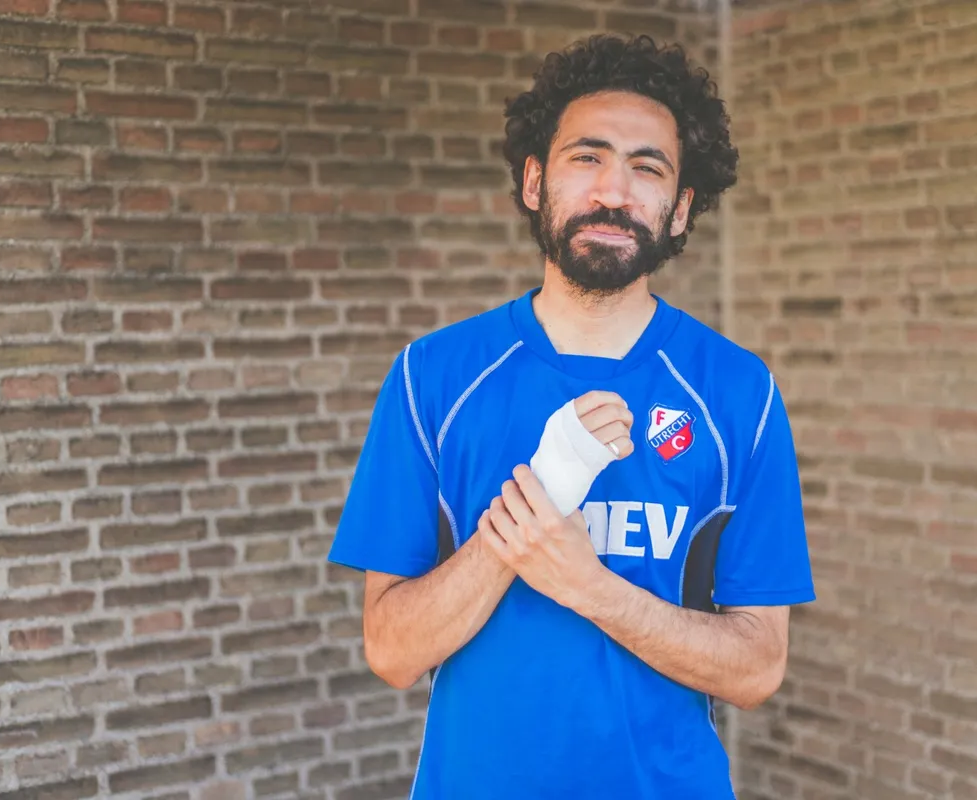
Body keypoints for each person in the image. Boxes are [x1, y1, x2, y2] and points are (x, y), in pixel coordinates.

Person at [328, 34, 815, 800]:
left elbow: (757, 668)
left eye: (647, 168)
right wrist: (540, 500)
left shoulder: (739, 393)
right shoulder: (433, 377)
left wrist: (590, 586)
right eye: (587, 157)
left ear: (681, 209)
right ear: (535, 181)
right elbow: (391, 651)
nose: (614, 191)